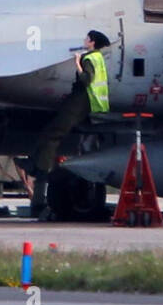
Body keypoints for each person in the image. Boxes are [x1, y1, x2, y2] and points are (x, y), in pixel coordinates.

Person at [30, 30, 112, 220]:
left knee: (53, 133)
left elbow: (86, 80)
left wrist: (77, 63)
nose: (84, 40)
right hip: (85, 100)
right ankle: (40, 167)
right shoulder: (97, 57)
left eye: (86, 38)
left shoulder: (90, 58)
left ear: (91, 42)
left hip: (82, 100)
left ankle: (41, 171)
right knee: (52, 132)